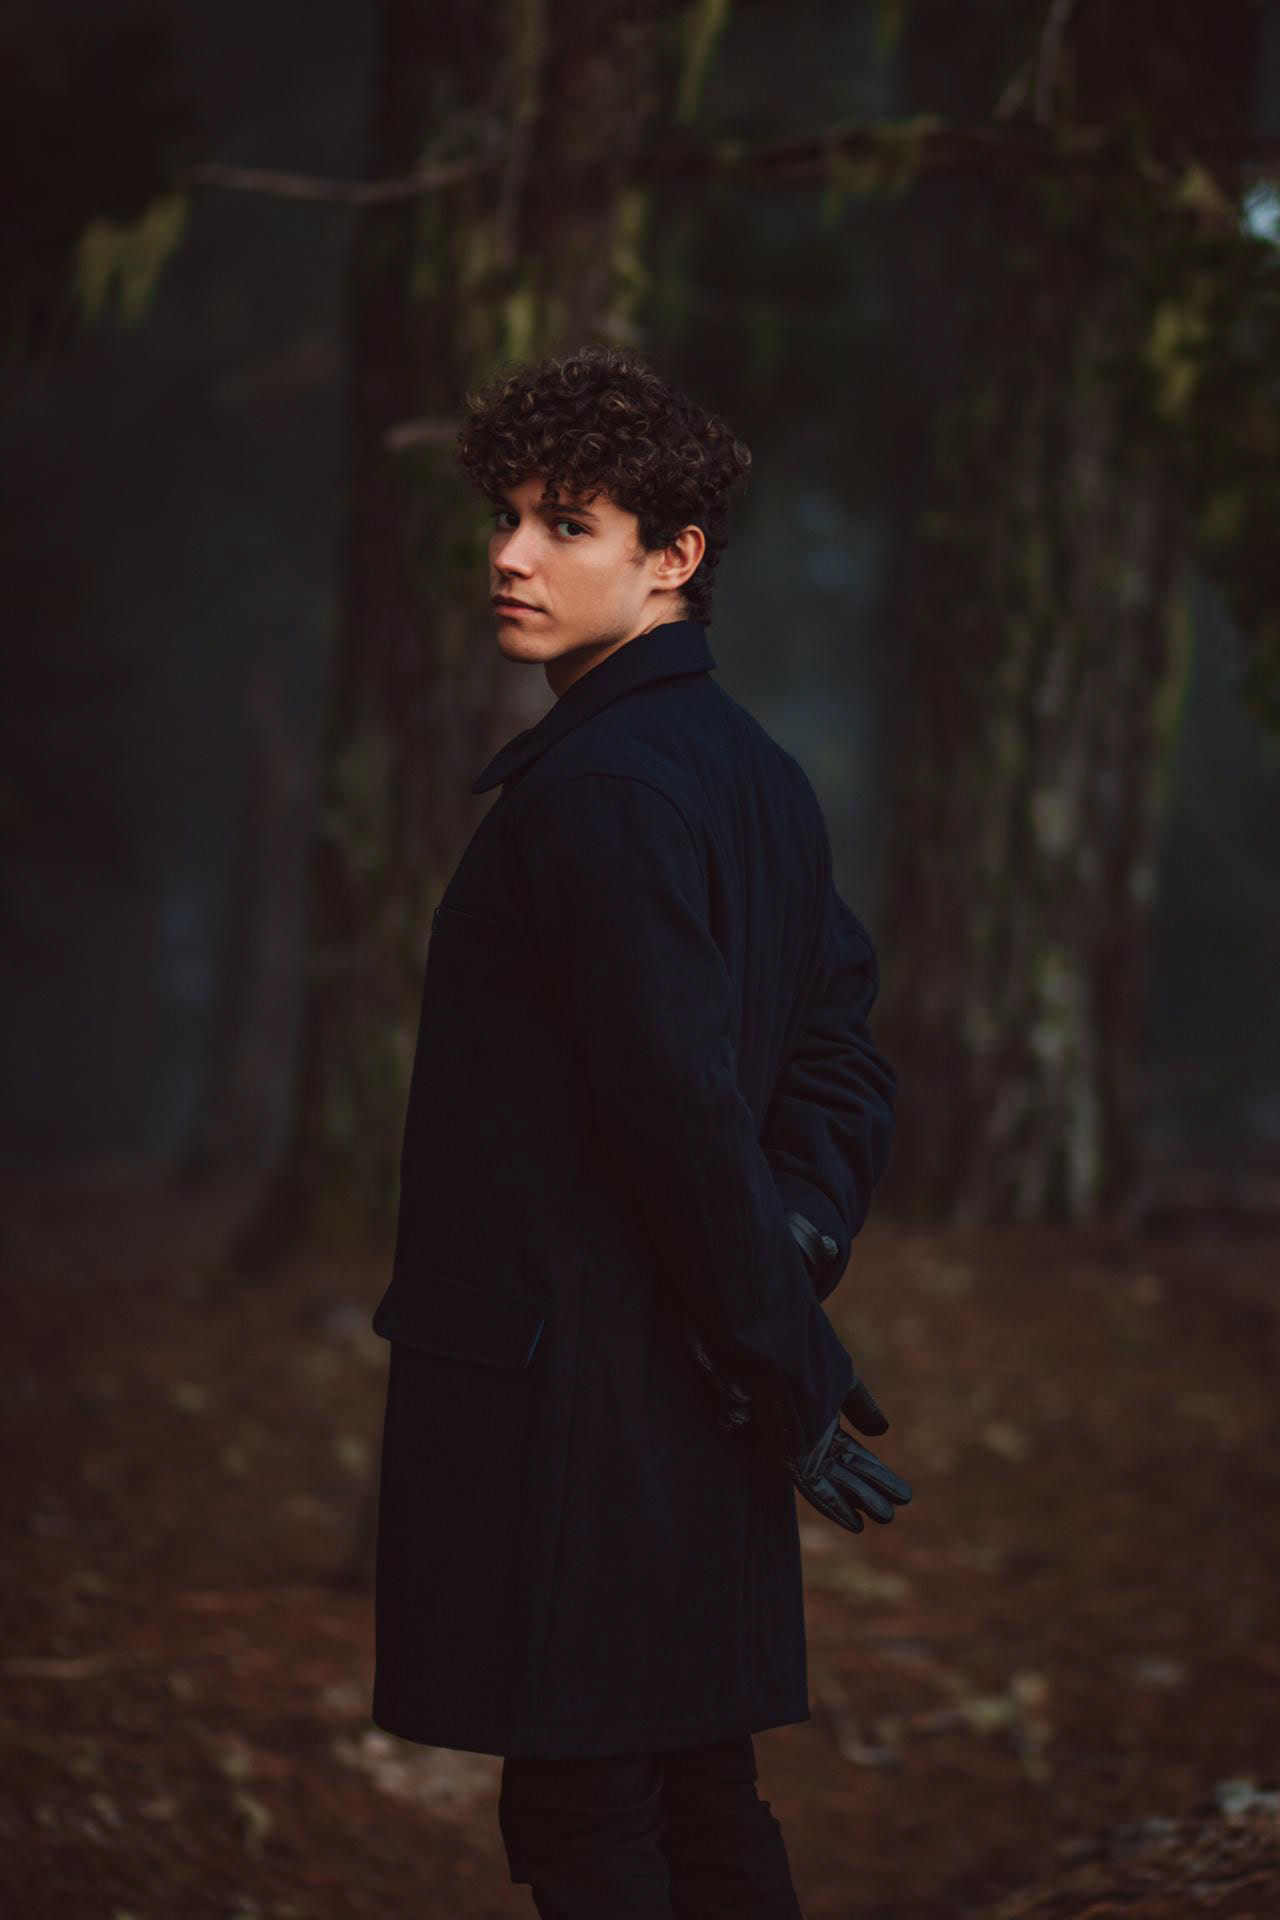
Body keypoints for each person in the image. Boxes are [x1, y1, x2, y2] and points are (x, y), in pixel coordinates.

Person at [367, 343, 912, 1918]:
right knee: (693, 1787)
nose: (510, 554)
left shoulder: (605, 789)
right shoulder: (753, 772)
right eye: (506, 515)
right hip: (684, 1367)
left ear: (673, 558)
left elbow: (693, 1100)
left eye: (566, 525)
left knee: (594, 1808)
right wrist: (790, 1253)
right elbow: (832, 1061)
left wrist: (783, 1338)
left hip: (594, 1390)